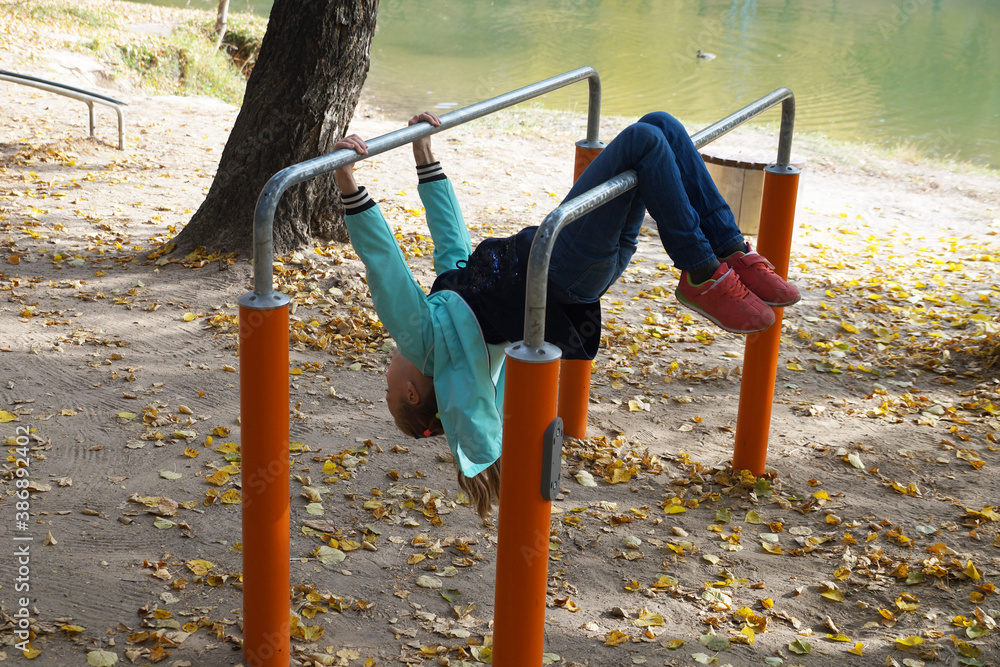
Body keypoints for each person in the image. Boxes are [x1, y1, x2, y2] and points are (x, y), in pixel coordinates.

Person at [334, 110, 799, 518]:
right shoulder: (427, 341)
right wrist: (346, 180)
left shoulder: (453, 322)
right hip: (564, 263)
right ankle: (701, 273)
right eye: (389, 386)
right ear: (413, 393)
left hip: (584, 268)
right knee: (644, 141)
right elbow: (385, 268)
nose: (388, 372)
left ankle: (732, 252)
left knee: (659, 127)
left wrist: (423, 154)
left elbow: (451, 241)